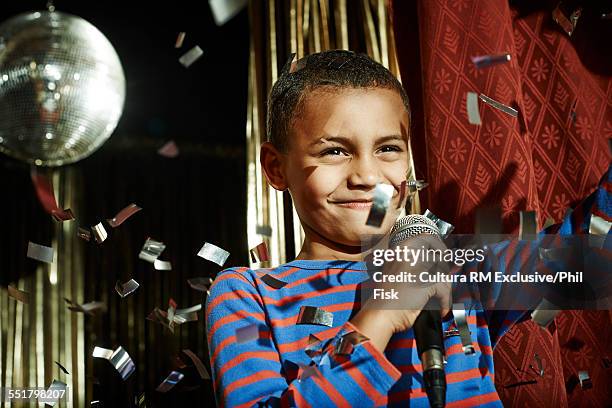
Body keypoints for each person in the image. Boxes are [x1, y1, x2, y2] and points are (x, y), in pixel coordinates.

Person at [205, 49, 611, 407]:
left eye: (388, 148)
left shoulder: (457, 268)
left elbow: (592, 252)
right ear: (276, 168)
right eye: (334, 151)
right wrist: (382, 314)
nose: (367, 175)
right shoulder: (245, 294)